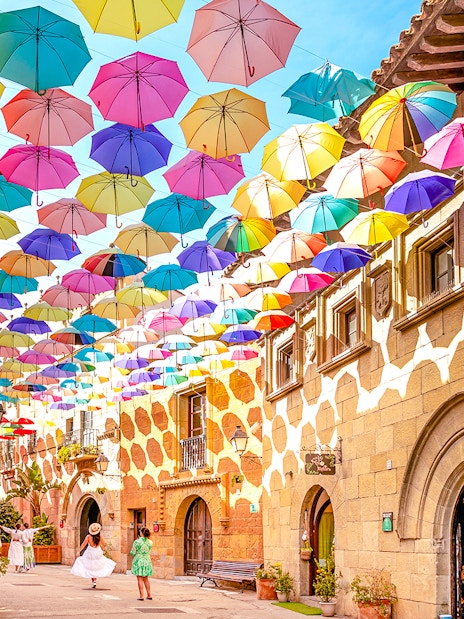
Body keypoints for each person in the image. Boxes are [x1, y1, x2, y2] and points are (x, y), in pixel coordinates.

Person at [70, 523, 116, 588]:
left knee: (90, 567)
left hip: (90, 552)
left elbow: (83, 545)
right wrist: (103, 550)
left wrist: (78, 552)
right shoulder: (99, 537)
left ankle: (93, 581)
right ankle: (94, 580)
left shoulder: (88, 537)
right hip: (97, 552)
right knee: (96, 566)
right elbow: (104, 544)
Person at [130, 527, 153, 601]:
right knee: (146, 579)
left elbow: (133, 552)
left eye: (140, 532)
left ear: (142, 533)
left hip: (139, 560)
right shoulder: (150, 542)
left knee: (139, 578)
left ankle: (141, 595)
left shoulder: (137, 542)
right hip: (147, 560)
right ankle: (149, 594)